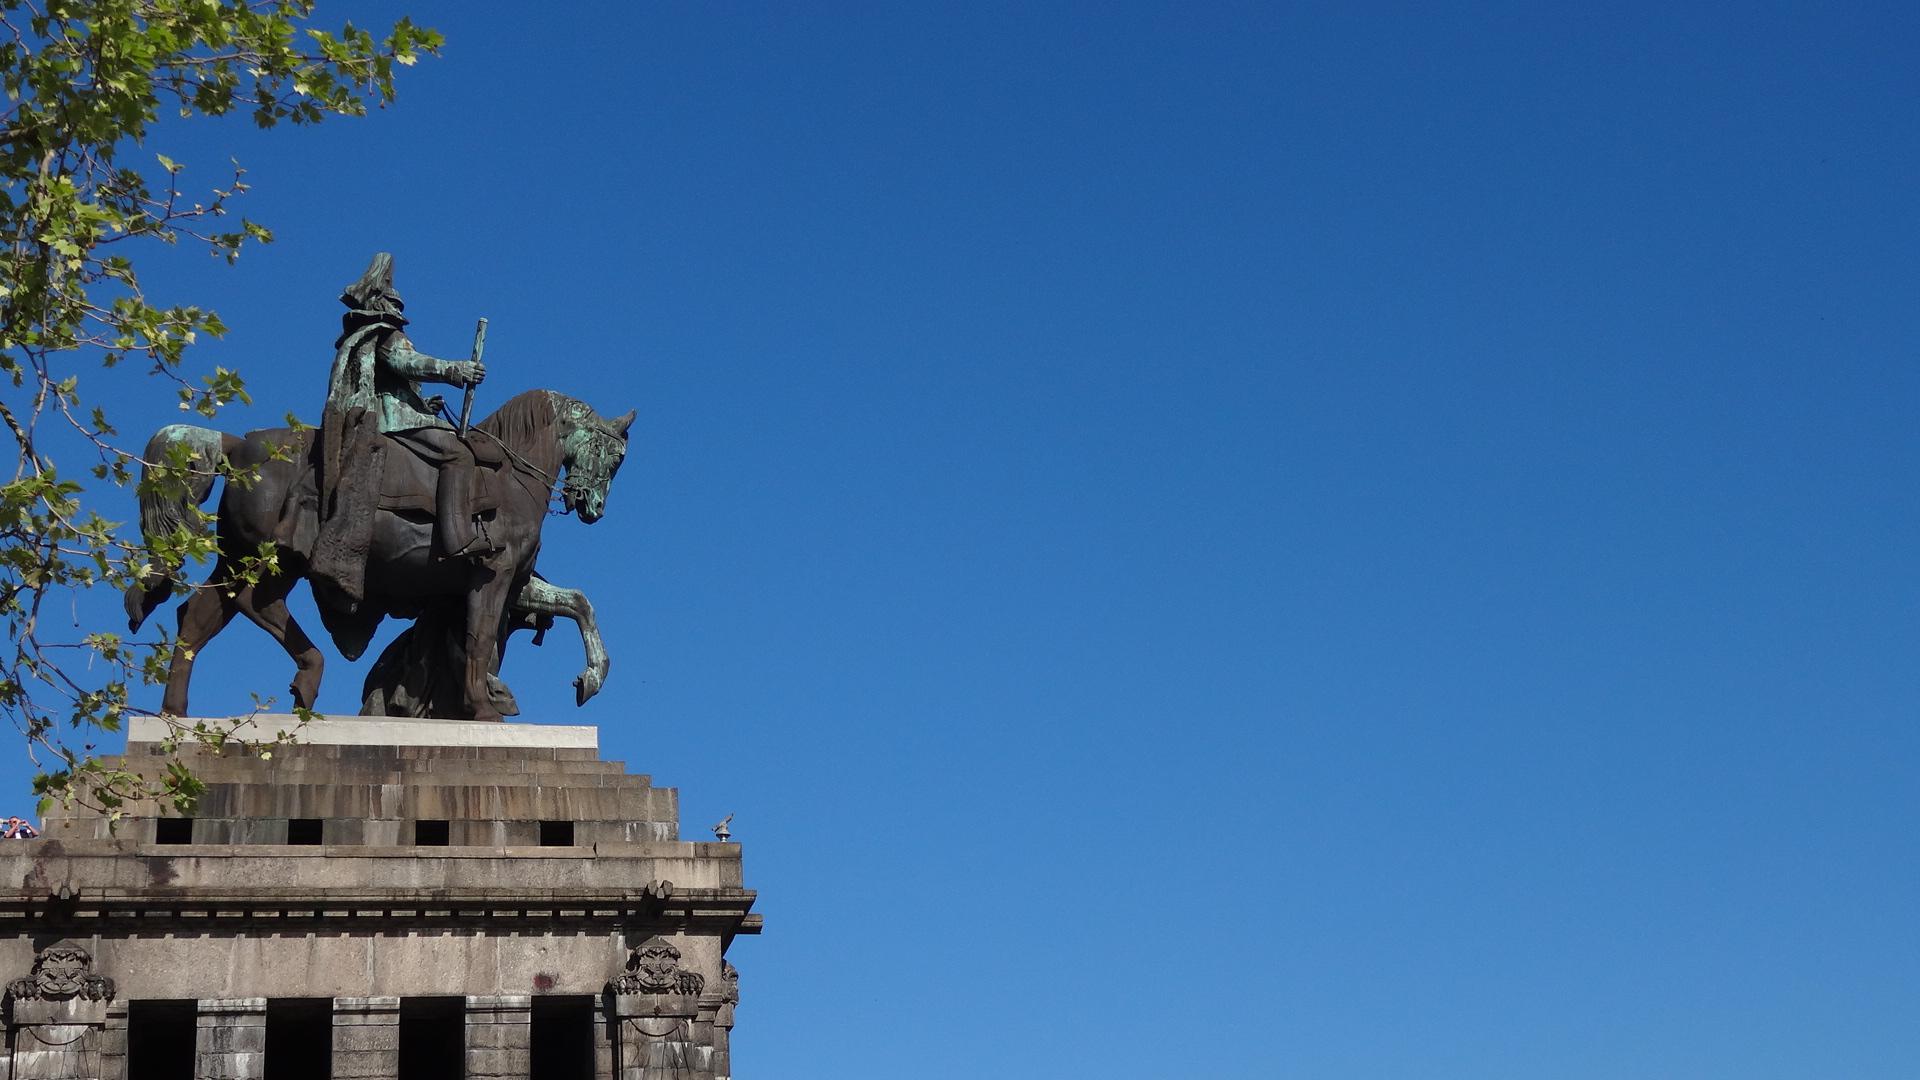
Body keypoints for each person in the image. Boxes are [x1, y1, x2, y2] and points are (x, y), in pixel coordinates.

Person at [311, 253, 490, 608]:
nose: (398, 309)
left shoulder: (374, 335)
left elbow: (397, 381)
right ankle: (458, 539)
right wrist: (457, 370)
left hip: (402, 413)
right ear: (381, 305)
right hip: (392, 421)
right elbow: (407, 363)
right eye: (394, 302)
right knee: (458, 452)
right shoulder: (386, 335)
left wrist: (428, 406)